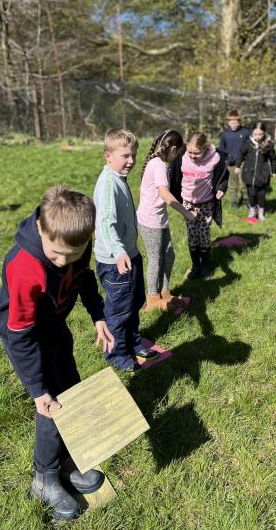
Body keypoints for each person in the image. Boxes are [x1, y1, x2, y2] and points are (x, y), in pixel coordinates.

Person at [0, 185, 115, 522]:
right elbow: (21, 335)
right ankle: (43, 478)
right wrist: (37, 389)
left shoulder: (76, 244)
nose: (62, 262)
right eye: (56, 254)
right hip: (24, 334)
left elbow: (84, 278)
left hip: (52, 322)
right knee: (52, 404)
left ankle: (65, 463)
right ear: (41, 228)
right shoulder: (24, 265)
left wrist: (98, 316)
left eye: (71, 255)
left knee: (71, 388)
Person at [94, 128, 158, 373]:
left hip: (129, 255)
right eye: (125, 156)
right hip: (115, 261)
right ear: (108, 155)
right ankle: (117, 353)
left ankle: (133, 342)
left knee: (134, 301)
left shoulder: (119, 178)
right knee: (119, 310)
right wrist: (119, 252)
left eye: (134, 155)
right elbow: (104, 223)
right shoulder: (108, 183)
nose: (131, 161)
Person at [137, 130, 197, 312]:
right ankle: (152, 299)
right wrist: (187, 213)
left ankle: (164, 293)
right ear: (173, 149)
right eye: (178, 153)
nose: (176, 157)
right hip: (150, 221)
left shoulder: (157, 163)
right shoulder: (159, 165)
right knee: (155, 259)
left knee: (169, 255)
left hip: (159, 219)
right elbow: (164, 193)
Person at [170, 130, 228, 280]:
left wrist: (221, 188)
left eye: (196, 153)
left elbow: (223, 175)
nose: (192, 156)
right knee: (192, 235)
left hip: (206, 203)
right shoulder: (181, 157)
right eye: (189, 152)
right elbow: (173, 175)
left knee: (204, 234)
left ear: (206, 147)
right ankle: (195, 265)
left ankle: (205, 266)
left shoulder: (215, 158)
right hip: (188, 202)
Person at [234, 121, 276, 221]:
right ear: (252, 133)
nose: (258, 137)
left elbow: (273, 159)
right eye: (255, 134)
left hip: (263, 174)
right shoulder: (248, 143)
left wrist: (273, 171)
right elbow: (241, 153)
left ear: (264, 133)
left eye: (260, 134)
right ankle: (252, 211)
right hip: (249, 173)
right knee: (252, 194)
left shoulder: (268, 144)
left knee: (261, 195)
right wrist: (238, 165)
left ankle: (261, 213)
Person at [218, 110, 250, 208]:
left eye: (236, 122)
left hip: (243, 162)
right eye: (231, 122)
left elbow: (249, 147)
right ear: (228, 122)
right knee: (232, 184)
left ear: (239, 121)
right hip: (230, 164)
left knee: (244, 183)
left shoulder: (245, 132)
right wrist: (224, 160)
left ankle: (246, 200)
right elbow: (222, 149)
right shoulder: (225, 135)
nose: (234, 124)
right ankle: (234, 202)